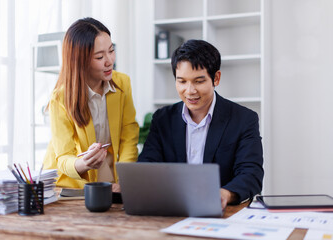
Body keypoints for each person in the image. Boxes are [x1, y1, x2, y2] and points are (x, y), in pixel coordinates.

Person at [138, 39, 264, 209]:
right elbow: (146, 166)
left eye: (198, 81)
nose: (190, 91)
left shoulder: (243, 119)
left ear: (216, 78)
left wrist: (225, 194)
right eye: (182, 81)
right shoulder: (163, 119)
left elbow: (251, 174)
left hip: (222, 213)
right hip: (171, 210)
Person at [43, 17, 139, 191]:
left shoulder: (122, 83)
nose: (109, 61)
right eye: (100, 56)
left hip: (110, 181)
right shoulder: (60, 98)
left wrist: (125, 178)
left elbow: (129, 135)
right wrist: (84, 163)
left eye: (111, 51)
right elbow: (64, 157)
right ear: (80, 60)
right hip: (70, 186)